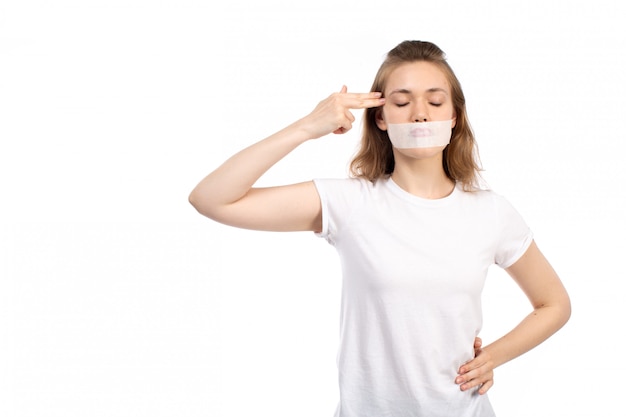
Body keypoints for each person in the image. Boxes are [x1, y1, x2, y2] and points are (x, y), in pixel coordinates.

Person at [189, 40, 571, 417]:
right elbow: (211, 199)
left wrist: (493, 357)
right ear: (380, 117)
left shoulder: (491, 212)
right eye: (402, 103)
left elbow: (554, 304)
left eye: (435, 102)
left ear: (454, 117)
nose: (420, 114)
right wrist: (307, 127)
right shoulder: (351, 203)